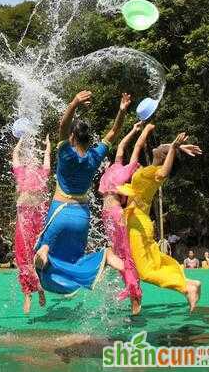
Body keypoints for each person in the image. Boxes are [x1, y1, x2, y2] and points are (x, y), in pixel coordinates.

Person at [34, 90, 130, 296]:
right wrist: (121, 111)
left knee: (41, 260)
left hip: (60, 211)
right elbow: (114, 132)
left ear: (71, 137)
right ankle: (105, 256)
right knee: (76, 260)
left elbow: (62, 125)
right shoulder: (95, 156)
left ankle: (45, 251)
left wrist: (75, 102)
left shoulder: (66, 153)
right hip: (82, 216)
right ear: (88, 139)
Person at [120, 131, 202, 312]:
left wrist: (174, 148)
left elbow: (165, 170)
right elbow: (165, 150)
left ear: (164, 156)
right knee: (151, 263)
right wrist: (178, 147)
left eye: (163, 148)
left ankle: (186, 287)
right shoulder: (150, 168)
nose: (158, 146)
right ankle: (189, 283)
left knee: (145, 271)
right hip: (137, 222)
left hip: (138, 225)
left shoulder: (156, 172)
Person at [99, 122, 155, 315]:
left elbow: (136, 147)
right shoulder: (114, 166)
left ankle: (135, 295)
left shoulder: (125, 170)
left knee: (126, 255)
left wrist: (144, 132)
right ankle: (130, 289)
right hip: (106, 215)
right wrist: (133, 129)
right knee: (119, 254)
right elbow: (122, 145)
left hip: (115, 213)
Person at [12, 134, 50, 314]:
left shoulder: (43, 173)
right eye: (32, 157)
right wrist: (20, 140)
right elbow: (15, 155)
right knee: (22, 255)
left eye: (36, 157)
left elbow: (48, 159)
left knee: (37, 252)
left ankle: (39, 286)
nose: (33, 159)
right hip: (24, 215)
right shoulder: (21, 172)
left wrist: (48, 145)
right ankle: (28, 293)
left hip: (37, 216)